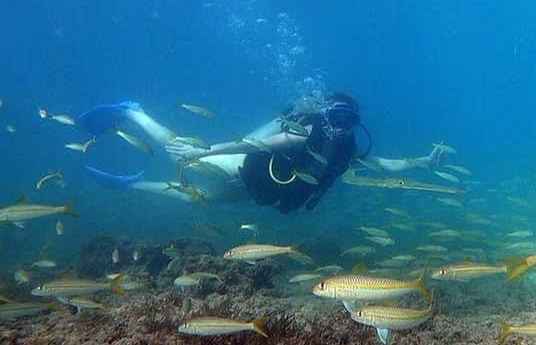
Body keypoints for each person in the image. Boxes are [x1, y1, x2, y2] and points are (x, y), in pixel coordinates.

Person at [79, 93, 444, 213]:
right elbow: (256, 145)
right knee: (180, 150)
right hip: (240, 165)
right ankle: (133, 110)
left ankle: (128, 185)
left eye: (349, 120)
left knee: (197, 199)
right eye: (336, 116)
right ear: (325, 114)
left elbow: (385, 164)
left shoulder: (347, 147)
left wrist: (423, 163)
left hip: (261, 189)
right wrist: (206, 151)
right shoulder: (306, 133)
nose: (340, 126)